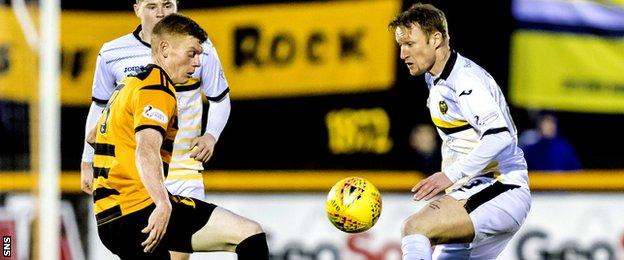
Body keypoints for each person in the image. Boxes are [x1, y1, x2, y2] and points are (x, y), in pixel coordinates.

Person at [79, 1, 267, 259]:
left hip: (111, 216)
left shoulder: (130, 83)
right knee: (251, 235)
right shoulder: (157, 88)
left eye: (200, 54)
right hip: (140, 207)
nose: (198, 62)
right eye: (192, 54)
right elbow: (146, 149)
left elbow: (94, 136)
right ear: (165, 49)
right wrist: (162, 204)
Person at [389, 3, 531, 259]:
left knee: (414, 228)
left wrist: (450, 175)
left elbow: (500, 135)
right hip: (479, 191)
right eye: (401, 45)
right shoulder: (435, 77)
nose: (402, 54)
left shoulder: (464, 80)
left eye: (409, 44)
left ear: (436, 39)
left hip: (501, 188)